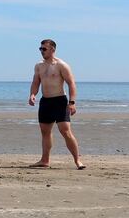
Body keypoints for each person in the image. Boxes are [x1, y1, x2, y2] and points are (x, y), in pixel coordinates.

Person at [28, 39, 85, 169]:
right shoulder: (39, 66)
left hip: (60, 101)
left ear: (52, 49)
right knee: (45, 132)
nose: (42, 51)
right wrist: (32, 95)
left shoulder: (61, 65)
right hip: (45, 102)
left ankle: (78, 160)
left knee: (65, 131)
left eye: (44, 49)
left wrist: (72, 102)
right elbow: (36, 82)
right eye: (40, 49)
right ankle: (45, 160)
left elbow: (71, 83)